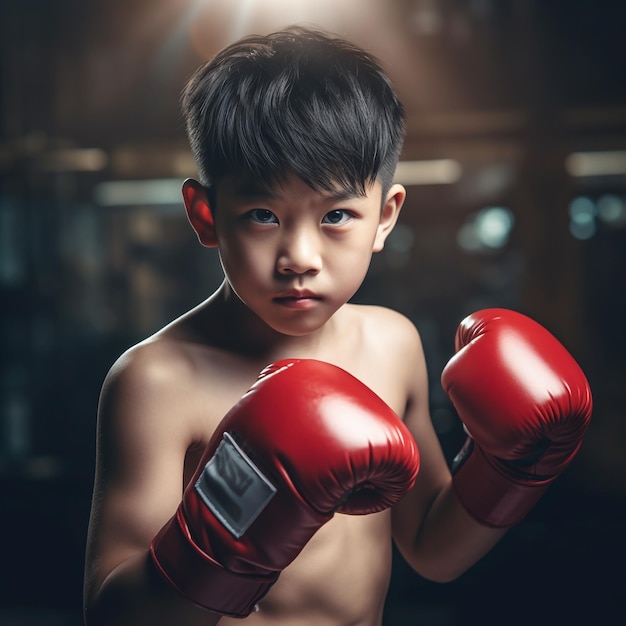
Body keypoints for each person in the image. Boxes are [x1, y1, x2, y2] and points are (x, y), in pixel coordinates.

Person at [83, 26, 592, 626]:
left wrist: (512, 471)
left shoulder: (392, 344)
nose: (299, 255)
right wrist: (222, 541)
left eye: (337, 215)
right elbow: (110, 616)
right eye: (263, 214)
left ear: (385, 216)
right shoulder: (157, 382)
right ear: (206, 215)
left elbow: (432, 549)